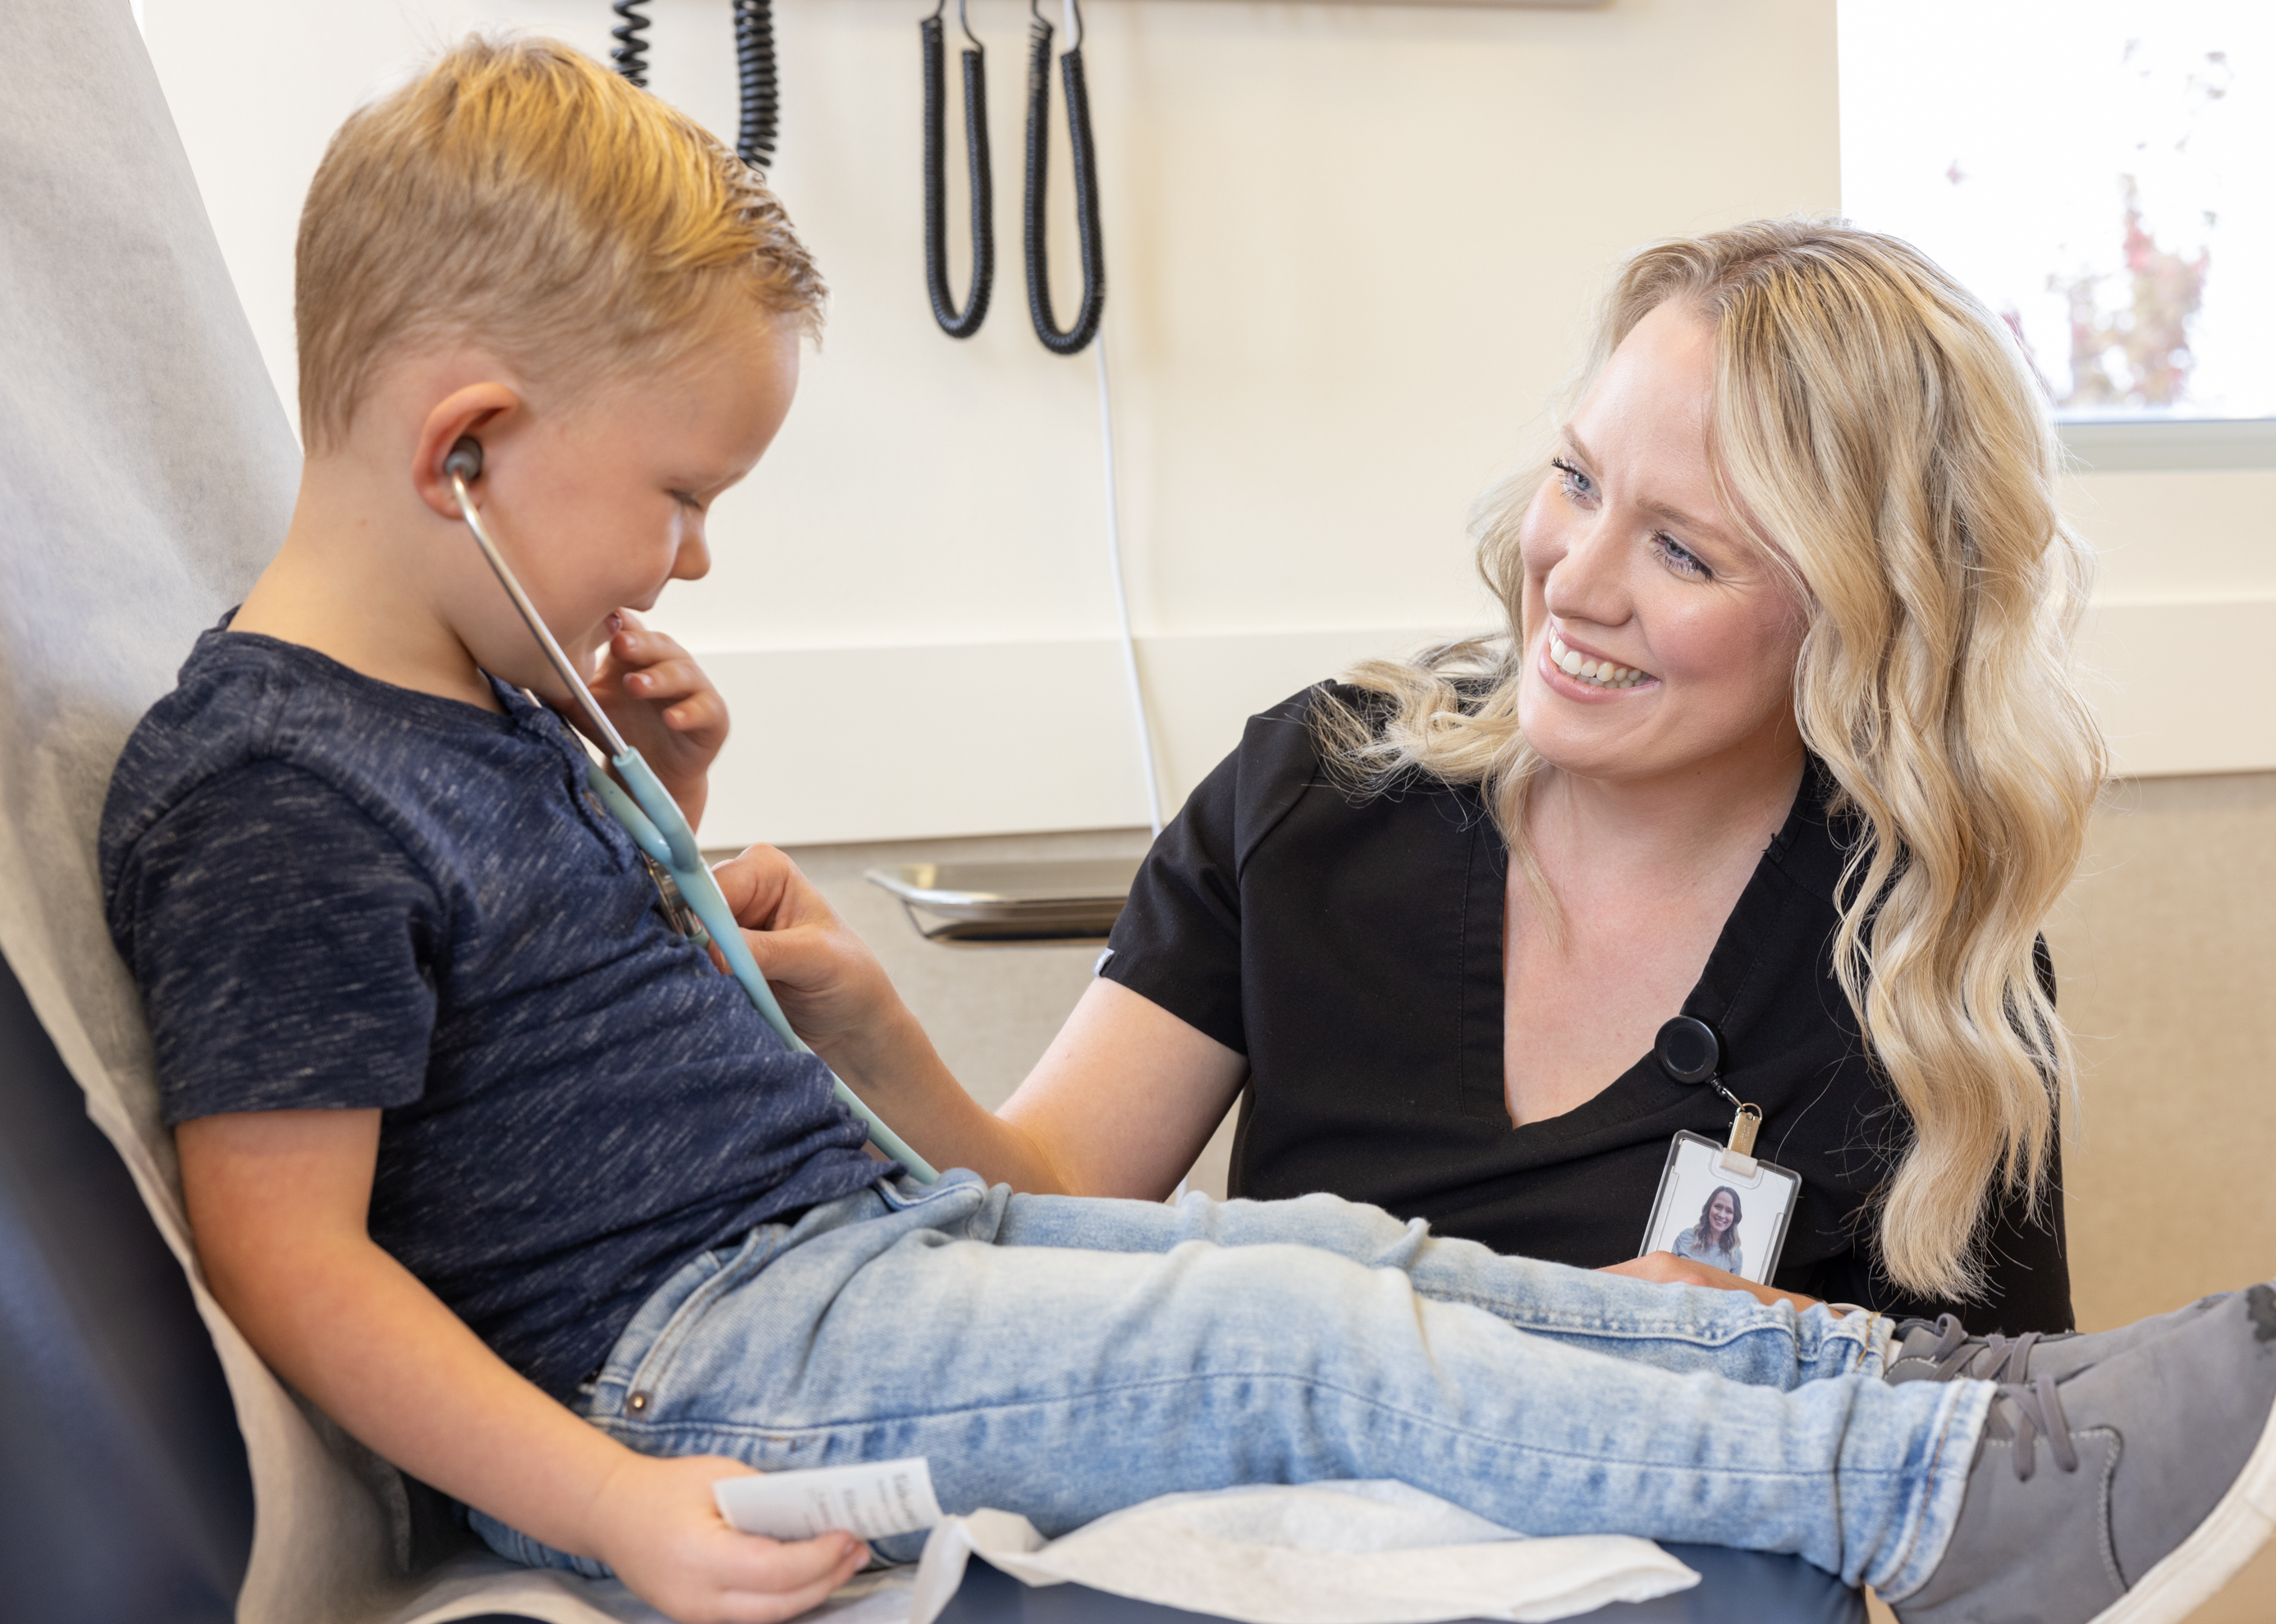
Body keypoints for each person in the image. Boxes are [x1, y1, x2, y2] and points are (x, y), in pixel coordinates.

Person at [99, 36, 2276, 1624]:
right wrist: (618, 1512)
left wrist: (655, 829)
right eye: (683, 500)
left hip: (828, 1265)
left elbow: (543, 1044)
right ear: (470, 443)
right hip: (710, 1361)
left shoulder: (488, 719)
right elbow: (295, 1248)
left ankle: (1920, 1405)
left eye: (1684, 547)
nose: (684, 564)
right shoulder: (289, 786)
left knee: (1344, 1274)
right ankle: (1932, 1494)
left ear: (1848, 617)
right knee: (1309, 1344)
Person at [715, 217, 2104, 1337]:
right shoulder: (1318, 792)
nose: (1575, 575)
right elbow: (1055, 1210)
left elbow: (1982, 1472)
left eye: (1684, 551)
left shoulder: (1919, 964)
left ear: (1866, 622)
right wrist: (867, 1029)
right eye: (1576, 478)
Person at [1673, 1186, 1745, 1274]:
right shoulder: (1685, 1236)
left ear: (1734, 1217)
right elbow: (1668, 1273)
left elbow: (1733, 1287)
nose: (1722, 1215)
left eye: (1729, 1211)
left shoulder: (1736, 1255)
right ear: (1709, 1208)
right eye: (1718, 1206)